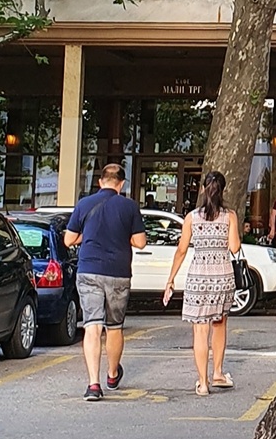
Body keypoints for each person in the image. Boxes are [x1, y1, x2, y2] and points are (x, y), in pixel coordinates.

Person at [64, 163, 147, 403]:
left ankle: (93, 384)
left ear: (100, 182)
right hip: (119, 272)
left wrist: (86, 235)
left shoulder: (84, 204)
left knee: (92, 326)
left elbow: (69, 240)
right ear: (121, 185)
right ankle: (112, 374)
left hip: (89, 270)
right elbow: (140, 242)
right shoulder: (129, 206)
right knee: (114, 326)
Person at [163, 170, 241, 393]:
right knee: (219, 324)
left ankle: (203, 383)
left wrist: (171, 279)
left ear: (203, 189)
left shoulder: (191, 217)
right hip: (222, 277)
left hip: (198, 278)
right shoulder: (230, 216)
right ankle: (218, 372)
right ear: (222, 190)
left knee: (200, 330)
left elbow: (181, 250)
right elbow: (234, 247)